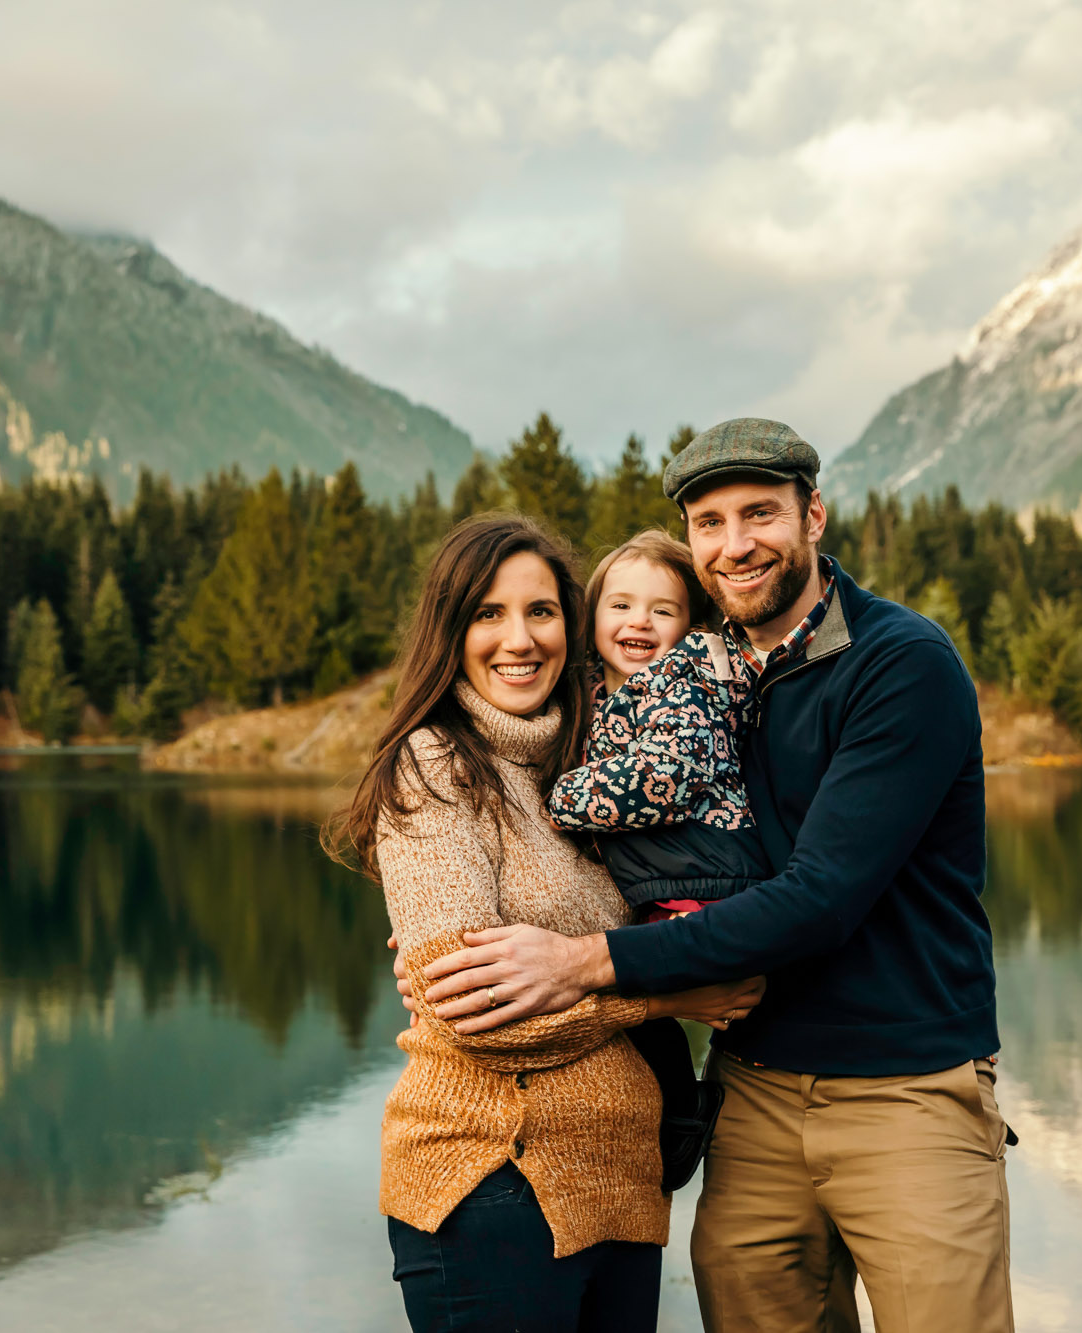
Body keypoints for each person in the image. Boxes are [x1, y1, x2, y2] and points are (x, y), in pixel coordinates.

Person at [416, 422, 1016, 1333]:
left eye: (761, 514)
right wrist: (450, 927)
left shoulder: (899, 664)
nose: (735, 544)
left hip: (907, 1090)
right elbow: (626, 841)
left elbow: (820, 898)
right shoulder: (704, 673)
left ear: (814, 516)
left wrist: (581, 963)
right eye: (709, 522)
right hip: (754, 1090)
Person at [325, 514, 764, 1333]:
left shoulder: (594, 765)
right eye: (487, 613)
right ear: (448, 633)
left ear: (575, 624)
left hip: (624, 1189)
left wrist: (601, 963)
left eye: (540, 611)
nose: (518, 638)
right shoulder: (435, 765)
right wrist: (663, 998)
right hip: (492, 1183)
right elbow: (477, 1014)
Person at [548, 528, 772, 1190]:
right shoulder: (586, 686)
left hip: (707, 870)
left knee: (642, 991)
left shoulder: (685, 678)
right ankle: (666, 1116)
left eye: (661, 610)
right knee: (630, 999)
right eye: (619, 605)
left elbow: (667, 778)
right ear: (592, 615)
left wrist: (557, 799)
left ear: (691, 624)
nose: (638, 621)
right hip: (662, 876)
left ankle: (679, 1118)